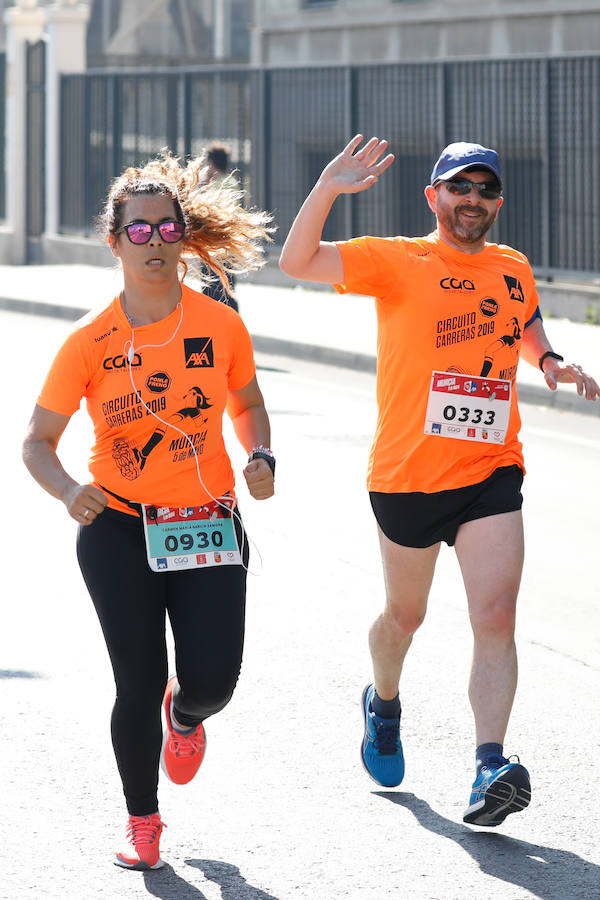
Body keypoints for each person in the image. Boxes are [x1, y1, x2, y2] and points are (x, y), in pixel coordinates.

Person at [279, 136, 599, 827]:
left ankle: (490, 765)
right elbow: (296, 260)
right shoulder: (399, 259)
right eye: (460, 188)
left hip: (490, 467)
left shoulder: (513, 266)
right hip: (407, 475)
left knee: (496, 615)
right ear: (434, 197)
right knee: (406, 617)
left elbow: (524, 320)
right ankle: (384, 703)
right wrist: (329, 188)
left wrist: (550, 362)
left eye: (486, 189)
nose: (474, 200)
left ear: (498, 202)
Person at [22, 151, 275, 869]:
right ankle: (143, 821)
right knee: (135, 681)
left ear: (183, 235)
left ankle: (186, 715)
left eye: (168, 228)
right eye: (140, 231)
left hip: (207, 523)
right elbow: (37, 443)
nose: (156, 241)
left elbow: (248, 402)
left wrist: (261, 455)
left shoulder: (220, 324)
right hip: (117, 529)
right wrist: (71, 491)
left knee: (214, 682)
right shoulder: (88, 341)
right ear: (115, 241)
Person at [197, 142, 240, 311]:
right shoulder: (232, 182)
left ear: (211, 164)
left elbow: (205, 213)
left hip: (212, 247)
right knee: (225, 289)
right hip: (227, 247)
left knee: (213, 291)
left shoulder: (213, 186)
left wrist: (201, 184)